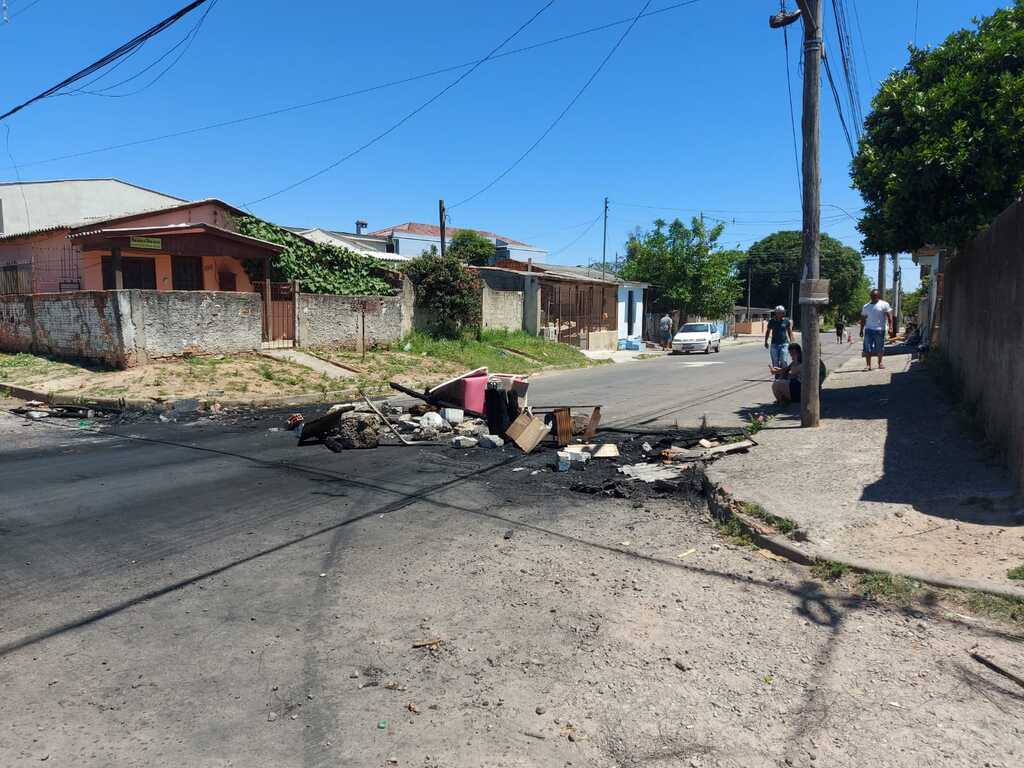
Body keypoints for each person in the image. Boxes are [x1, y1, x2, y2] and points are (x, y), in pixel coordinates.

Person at [859, 288, 894, 370]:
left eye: (875, 296)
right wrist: (861, 330)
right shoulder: (866, 306)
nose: (874, 297)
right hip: (868, 330)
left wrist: (891, 327)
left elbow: (889, 317)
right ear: (870, 296)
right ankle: (868, 365)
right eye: (872, 296)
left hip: (880, 330)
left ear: (878, 296)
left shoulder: (884, 304)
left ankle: (880, 363)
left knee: (880, 347)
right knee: (867, 348)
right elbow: (863, 319)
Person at [764, 305, 795, 372]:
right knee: (775, 361)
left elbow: (789, 331)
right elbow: (768, 331)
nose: (783, 314)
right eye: (781, 312)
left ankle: (784, 374)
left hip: (784, 344)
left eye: (783, 312)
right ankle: (777, 376)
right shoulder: (772, 321)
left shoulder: (786, 321)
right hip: (774, 344)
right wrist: (766, 341)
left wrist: (792, 341)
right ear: (777, 313)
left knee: (783, 360)